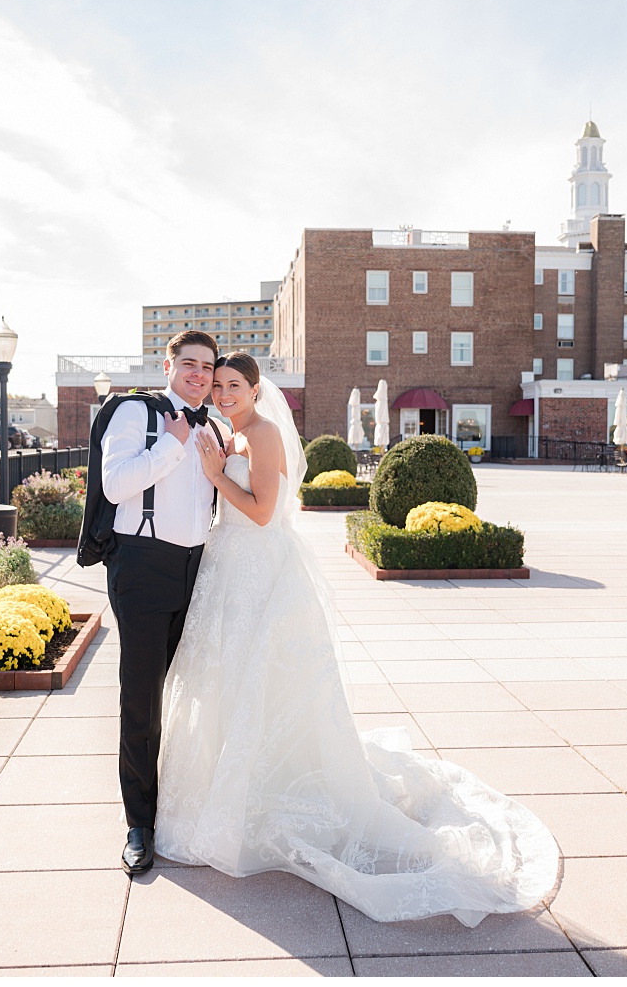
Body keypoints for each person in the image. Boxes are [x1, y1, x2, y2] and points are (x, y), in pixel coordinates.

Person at [155, 353, 562, 927]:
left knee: (261, 683)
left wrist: (217, 475)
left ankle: (261, 795)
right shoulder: (233, 432)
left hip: (260, 571)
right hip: (230, 568)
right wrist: (214, 461)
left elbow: (266, 513)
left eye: (233, 386)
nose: (222, 393)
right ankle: (228, 791)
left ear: (255, 390)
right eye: (218, 385)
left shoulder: (264, 435)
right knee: (229, 679)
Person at [97, 330, 220, 875]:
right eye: (188, 363)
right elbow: (115, 486)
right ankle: (139, 822)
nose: (198, 374)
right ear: (167, 364)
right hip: (143, 567)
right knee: (142, 699)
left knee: (190, 693)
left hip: (198, 570)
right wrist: (169, 443)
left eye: (207, 367)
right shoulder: (135, 415)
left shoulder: (214, 426)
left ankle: (183, 801)